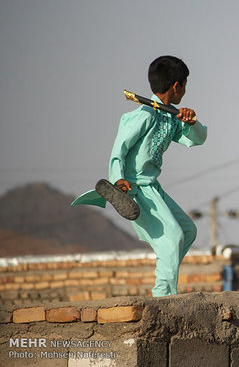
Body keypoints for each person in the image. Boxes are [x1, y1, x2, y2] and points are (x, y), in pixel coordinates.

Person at [72, 55, 208, 297]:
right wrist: (117, 178)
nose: (185, 90)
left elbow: (197, 139)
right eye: (185, 85)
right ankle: (164, 295)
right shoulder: (143, 115)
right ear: (177, 86)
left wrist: (191, 122)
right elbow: (119, 149)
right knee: (173, 237)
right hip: (134, 187)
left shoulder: (170, 117)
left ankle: (163, 284)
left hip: (153, 187)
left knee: (187, 231)